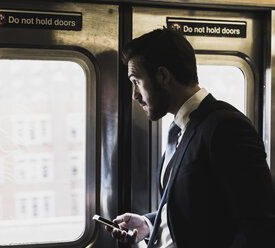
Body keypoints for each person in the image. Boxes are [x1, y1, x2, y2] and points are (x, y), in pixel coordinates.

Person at [106, 28, 275, 248]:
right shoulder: (179, 129)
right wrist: (150, 223)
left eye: (136, 81)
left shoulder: (226, 127)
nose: (134, 95)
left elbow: (257, 225)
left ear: (163, 76)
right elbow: (202, 206)